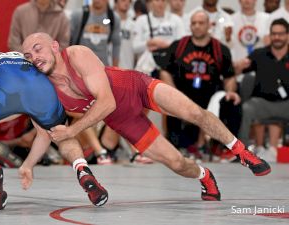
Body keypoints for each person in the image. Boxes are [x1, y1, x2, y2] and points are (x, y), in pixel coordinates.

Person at [22, 32, 272, 201]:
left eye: (38, 49)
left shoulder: (76, 54)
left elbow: (106, 102)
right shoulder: (46, 91)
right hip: (123, 121)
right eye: (29, 56)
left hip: (135, 86)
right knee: (177, 163)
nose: (35, 58)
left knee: (194, 112)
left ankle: (241, 151)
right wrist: (28, 165)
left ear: (55, 46)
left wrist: (73, 130)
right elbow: (48, 131)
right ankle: (204, 176)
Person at [0, 51, 108, 209]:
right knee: (62, 132)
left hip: (5, 87)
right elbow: (44, 135)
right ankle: (82, 168)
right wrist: (28, 165)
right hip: (41, 86)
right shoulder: (25, 61)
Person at [159, 10, 241, 159]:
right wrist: (172, 92)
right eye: (193, 23)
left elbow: (229, 77)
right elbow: (165, 71)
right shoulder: (179, 46)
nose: (197, 26)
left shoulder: (220, 49)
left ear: (209, 25)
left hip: (210, 97)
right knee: (169, 102)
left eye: (201, 23)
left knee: (232, 102)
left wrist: (230, 92)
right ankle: (178, 147)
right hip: (183, 94)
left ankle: (224, 149)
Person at [235, 18, 289, 162]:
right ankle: (242, 153)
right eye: (274, 34)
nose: (277, 37)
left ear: (287, 35)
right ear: (270, 35)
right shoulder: (259, 54)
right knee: (247, 108)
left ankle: (276, 150)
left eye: (281, 34)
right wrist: (238, 66)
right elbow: (237, 71)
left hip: (286, 104)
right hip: (262, 103)